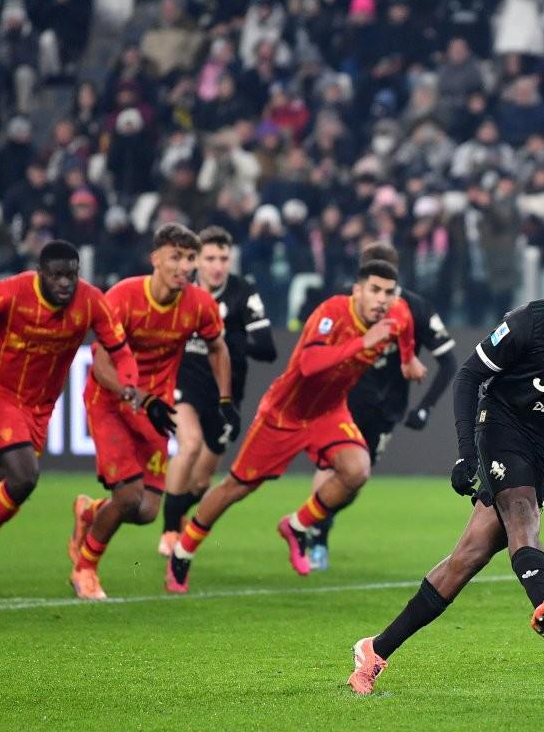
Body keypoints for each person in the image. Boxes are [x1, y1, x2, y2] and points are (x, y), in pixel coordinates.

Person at [346, 243, 544, 695]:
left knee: (467, 559)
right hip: (501, 426)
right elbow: (469, 374)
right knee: (521, 511)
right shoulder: (534, 320)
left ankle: (374, 650)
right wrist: (465, 454)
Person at [164, 259, 425, 592]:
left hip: (329, 412)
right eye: (374, 290)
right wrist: (363, 341)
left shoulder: (396, 313)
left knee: (357, 470)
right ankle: (183, 550)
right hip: (284, 414)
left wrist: (408, 359)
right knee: (236, 488)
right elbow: (308, 364)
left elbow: (405, 326)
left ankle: (297, 526)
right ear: (357, 291)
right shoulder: (332, 312)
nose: (382, 300)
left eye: (388, 293)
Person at [0, 240, 138, 601]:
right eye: (56, 276)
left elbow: (121, 351)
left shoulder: (91, 301)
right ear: (40, 273)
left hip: (40, 408)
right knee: (25, 476)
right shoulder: (11, 292)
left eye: (71, 275)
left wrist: (131, 384)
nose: (65, 283)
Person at [67, 224, 234, 600]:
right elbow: (101, 365)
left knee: (145, 511)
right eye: (175, 257)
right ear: (155, 259)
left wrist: (225, 400)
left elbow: (218, 347)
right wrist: (139, 397)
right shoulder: (123, 297)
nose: (184, 266)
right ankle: (85, 569)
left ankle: (90, 512)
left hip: (155, 410)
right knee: (128, 496)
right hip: (111, 402)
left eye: (190, 258)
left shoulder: (199, 304)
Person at [307, 242, 457, 571]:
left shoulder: (415, 308)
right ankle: (315, 535)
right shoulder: (342, 303)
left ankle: (317, 521)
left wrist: (426, 406)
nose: (378, 296)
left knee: (355, 479)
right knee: (332, 466)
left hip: (386, 407)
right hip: (342, 401)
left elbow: (448, 360)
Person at [157, 226, 278, 557]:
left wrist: (227, 340)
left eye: (223, 259)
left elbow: (267, 349)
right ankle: (169, 531)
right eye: (209, 258)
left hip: (225, 396)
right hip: (184, 385)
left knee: (200, 483)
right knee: (190, 444)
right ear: (196, 261)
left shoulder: (242, 293)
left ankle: (178, 515)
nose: (217, 266)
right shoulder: (181, 291)